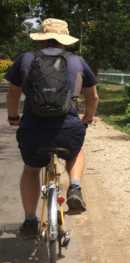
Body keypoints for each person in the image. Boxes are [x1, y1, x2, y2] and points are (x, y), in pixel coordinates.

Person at [4, 18, 100, 238]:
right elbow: (93, 97)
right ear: (64, 40)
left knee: (30, 169)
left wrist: (12, 116)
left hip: (33, 130)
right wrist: (88, 117)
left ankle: (29, 221)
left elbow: (13, 93)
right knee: (76, 151)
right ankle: (74, 187)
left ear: (42, 38)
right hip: (67, 127)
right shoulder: (78, 62)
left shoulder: (25, 59)